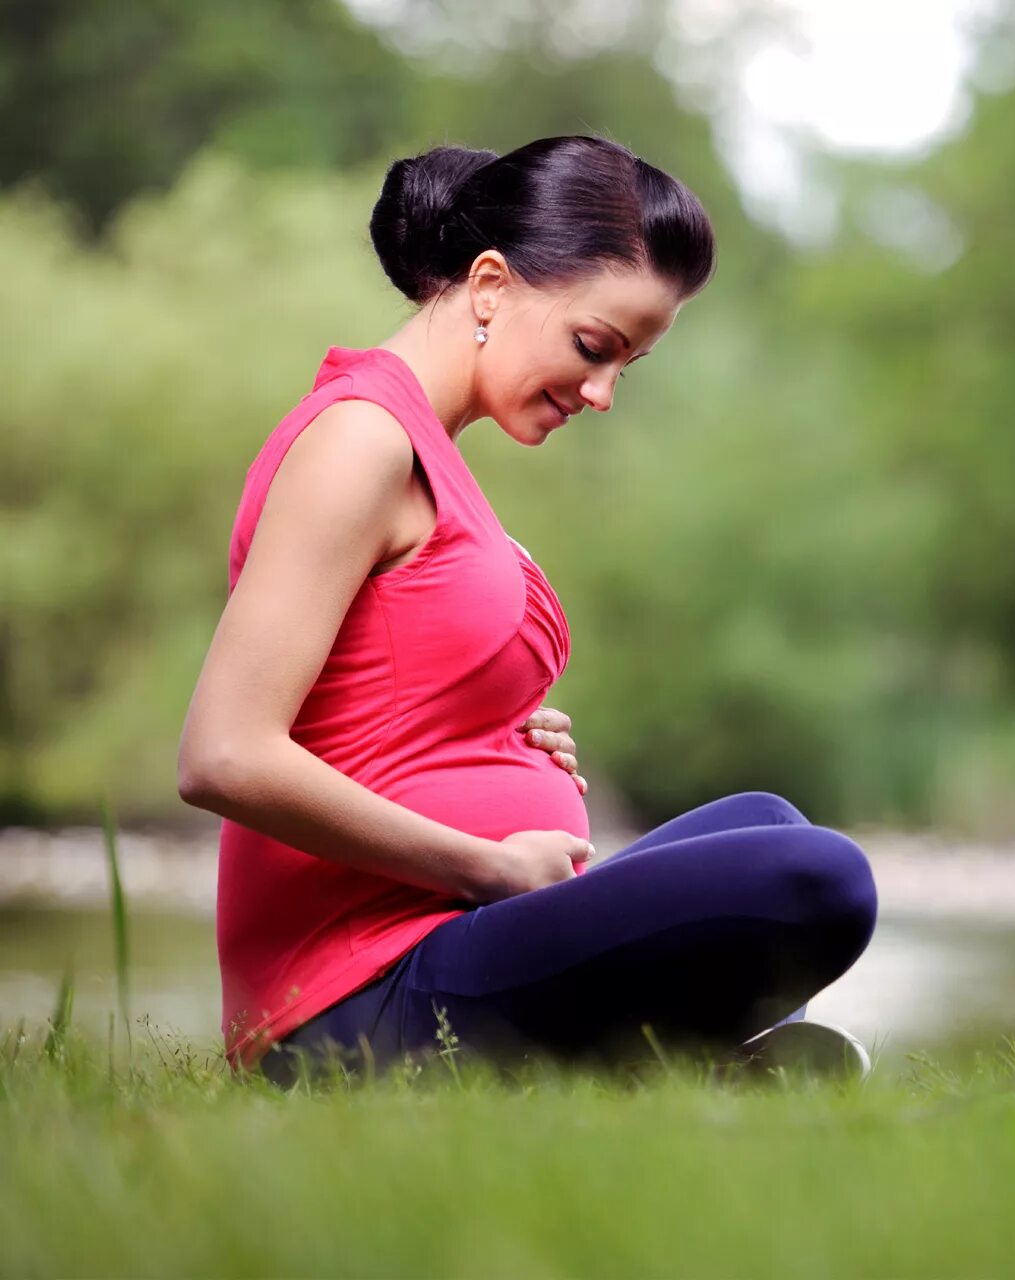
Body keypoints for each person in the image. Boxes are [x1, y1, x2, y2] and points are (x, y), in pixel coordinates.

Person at [176, 135, 878, 1084]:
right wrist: (487, 864)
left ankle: (690, 1076)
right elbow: (225, 754)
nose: (602, 393)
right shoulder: (359, 440)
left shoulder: (424, 447)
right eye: (595, 347)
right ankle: (695, 1073)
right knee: (815, 880)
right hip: (359, 993)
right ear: (493, 284)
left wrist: (487, 730)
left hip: (456, 935)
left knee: (770, 822)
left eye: (628, 365)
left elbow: (368, 691)